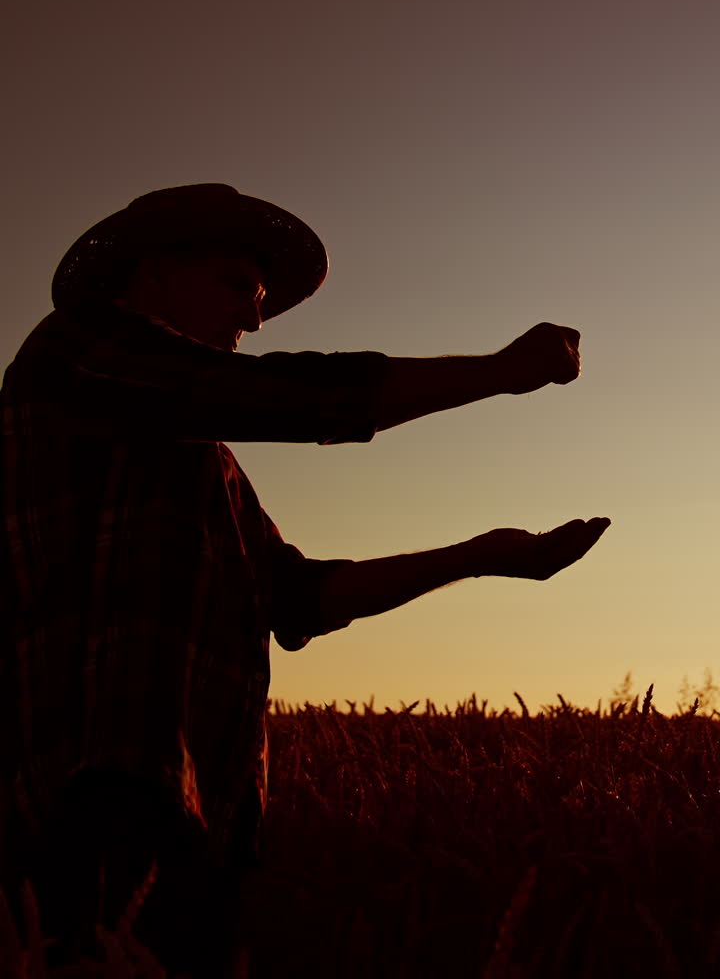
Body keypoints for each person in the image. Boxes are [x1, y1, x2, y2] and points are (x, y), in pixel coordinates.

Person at [0, 183, 610, 975]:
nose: (254, 321)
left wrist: (482, 556)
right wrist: (498, 371)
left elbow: (299, 597)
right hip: (80, 787)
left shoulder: (201, 459)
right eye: (236, 286)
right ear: (149, 274)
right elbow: (286, 396)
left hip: (203, 811)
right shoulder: (75, 350)